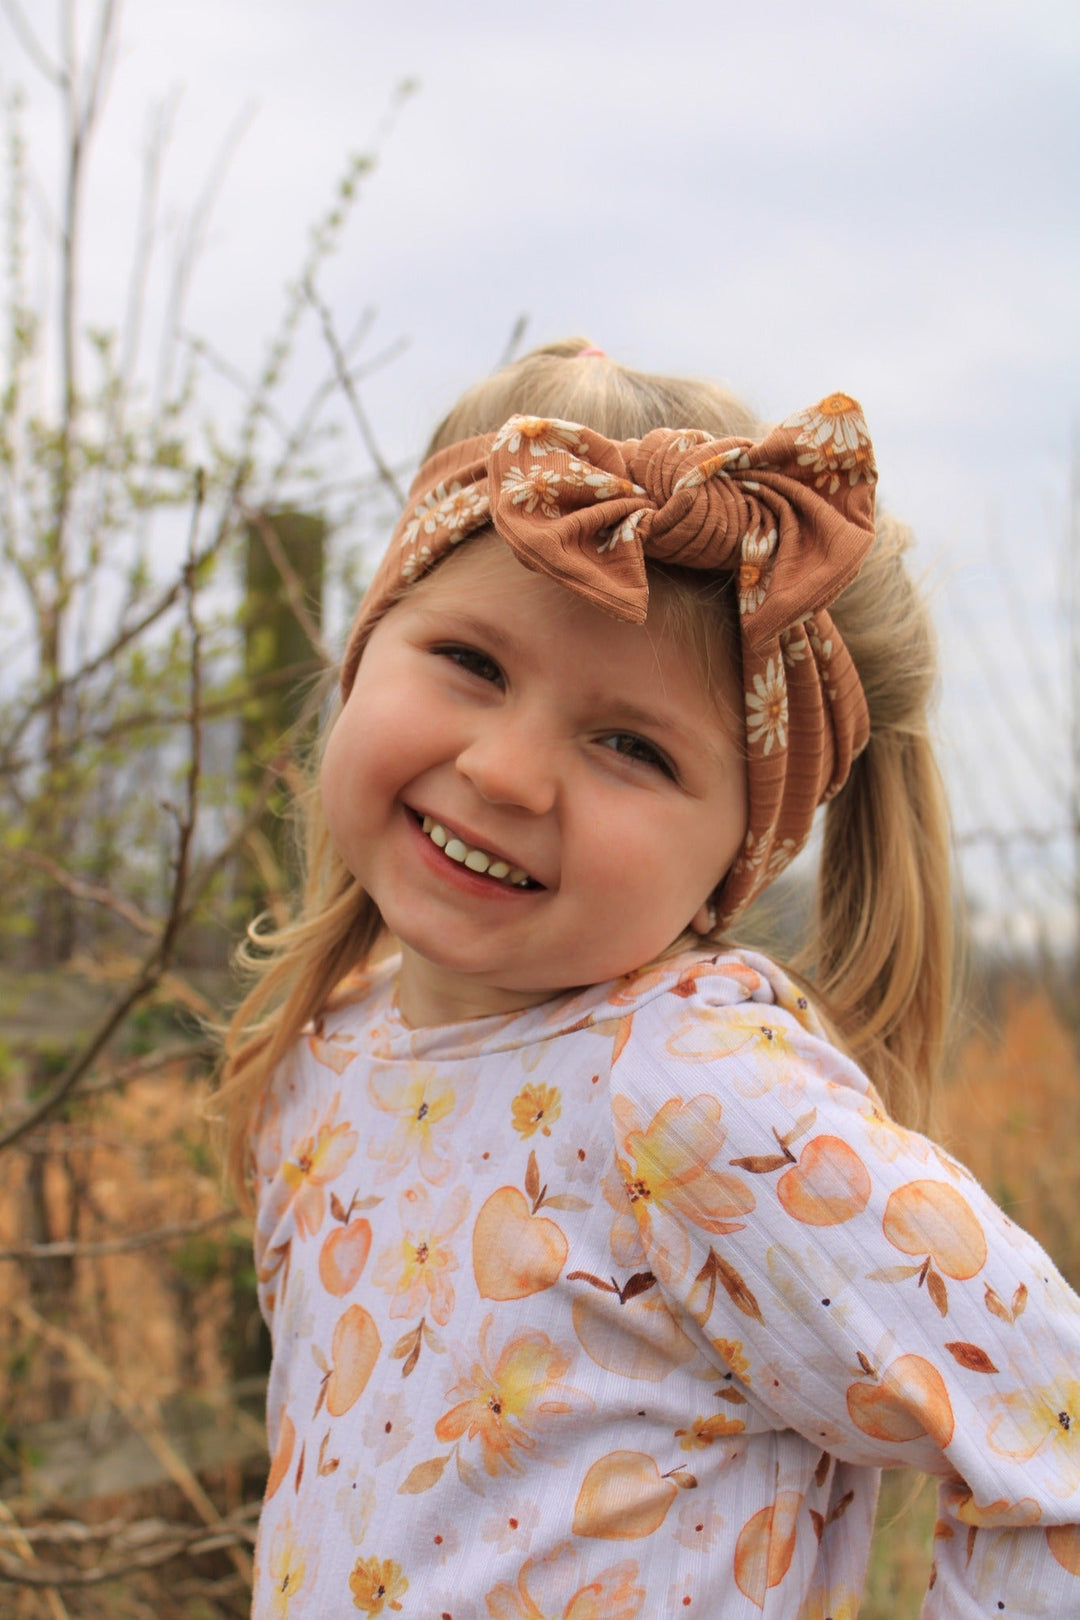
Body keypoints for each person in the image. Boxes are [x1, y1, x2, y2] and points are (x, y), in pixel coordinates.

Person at [220, 339, 1080, 1617]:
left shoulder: (696, 1100)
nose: (507, 771)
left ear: (741, 846)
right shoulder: (322, 1061)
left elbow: (1052, 1437)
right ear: (366, 645)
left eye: (630, 744)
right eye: (472, 661)